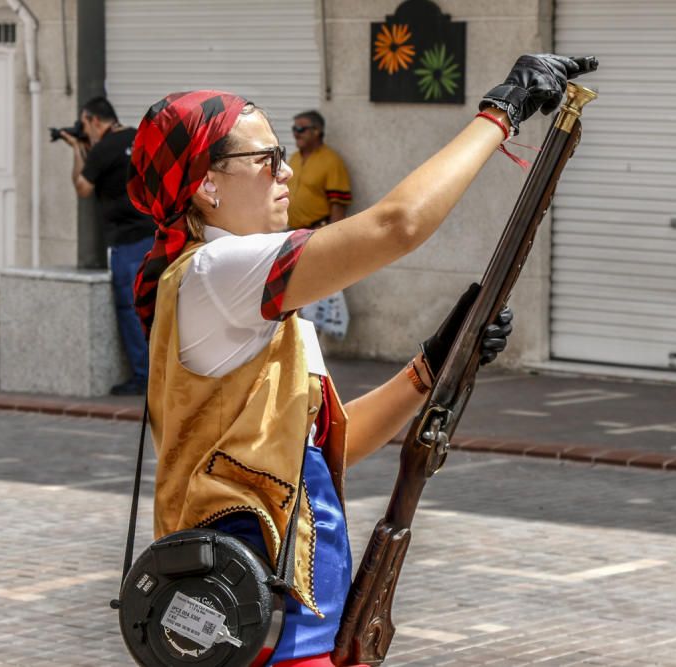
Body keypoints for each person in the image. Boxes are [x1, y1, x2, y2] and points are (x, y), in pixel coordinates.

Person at [127, 54, 583, 666]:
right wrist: (500, 114)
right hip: (262, 628)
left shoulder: (238, 288)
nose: (286, 172)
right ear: (206, 185)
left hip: (298, 619)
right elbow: (399, 225)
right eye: (267, 159)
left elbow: (323, 451)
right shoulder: (217, 270)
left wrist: (431, 367)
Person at [61, 96, 156, 396]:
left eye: (85, 124)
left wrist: (78, 150)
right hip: (156, 234)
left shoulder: (102, 149)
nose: (84, 130)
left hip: (128, 241)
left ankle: (143, 376)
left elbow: (82, 187)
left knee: (130, 309)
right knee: (156, 308)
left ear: (92, 120)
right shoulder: (139, 137)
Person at [287, 110, 351, 231]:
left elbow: (338, 206)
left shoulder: (331, 160)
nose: (296, 134)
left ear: (316, 131)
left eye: (301, 129)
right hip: (292, 231)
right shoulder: (294, 157)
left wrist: (331, 236)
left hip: (317, 232)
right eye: (294, 129)